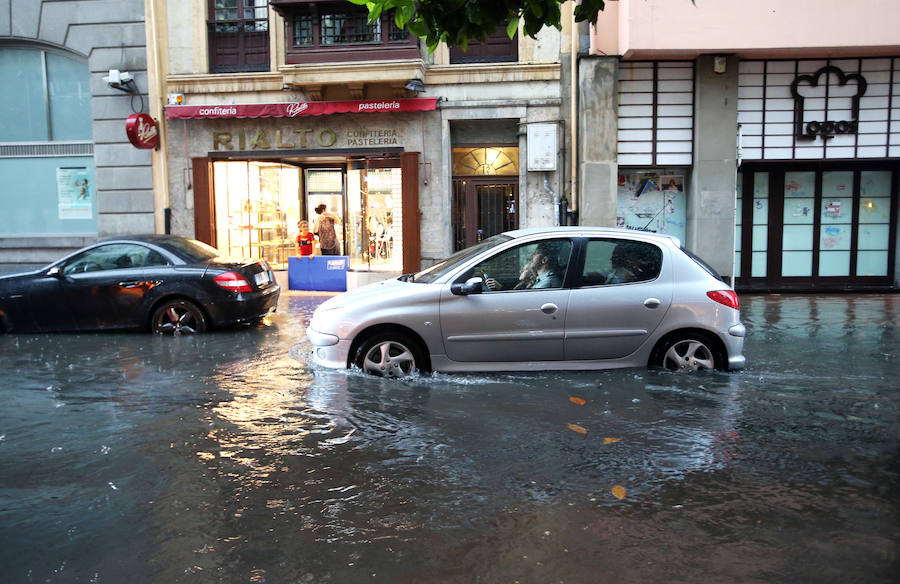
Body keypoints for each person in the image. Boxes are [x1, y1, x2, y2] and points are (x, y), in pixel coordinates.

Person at [485, 242, 563, 291]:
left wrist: (501, 289)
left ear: (544, 260)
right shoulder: (541, 280)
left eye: (535, 254)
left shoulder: (547, 282)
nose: (531, 256)